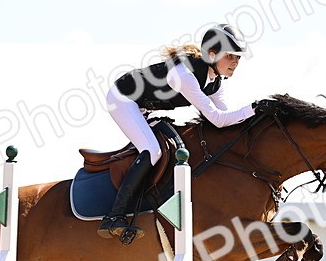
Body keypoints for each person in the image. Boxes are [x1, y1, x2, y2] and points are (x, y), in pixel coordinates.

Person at [99, 23, 256, 240]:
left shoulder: (214, 82)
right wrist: (256, 108)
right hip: (122, 99)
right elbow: (218, 120)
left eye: (238, 57)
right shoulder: (185, 75)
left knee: (172, 144)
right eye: (230, 56)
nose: (236, 62)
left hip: (143, 105)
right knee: (153, 150)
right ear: (212, 54)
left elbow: (227, 118)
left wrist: (255, 118)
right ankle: (113, 216)